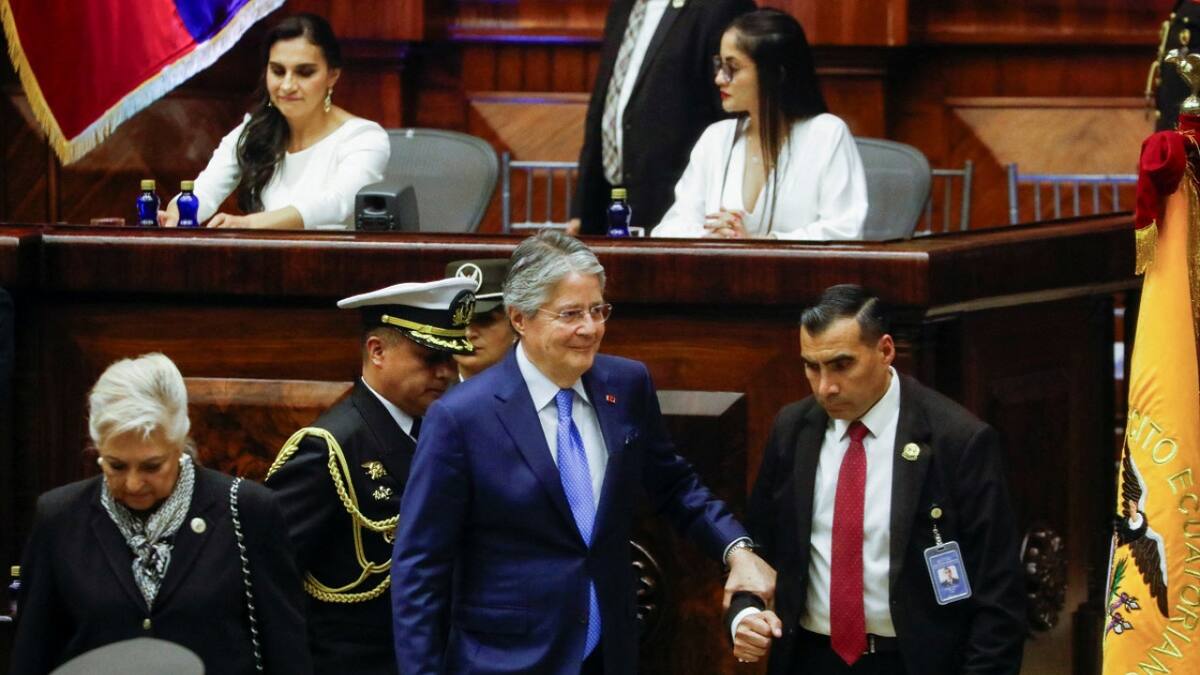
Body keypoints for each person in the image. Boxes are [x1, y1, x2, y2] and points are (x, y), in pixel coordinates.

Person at [392, 230, 776, 674]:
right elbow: (420, 568)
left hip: (607, 655)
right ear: (520, 318)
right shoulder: (461, 418)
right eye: (571, 314)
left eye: (598, 310)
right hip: (505, 661)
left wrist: (737, 549)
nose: (590, 329)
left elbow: (674, 485)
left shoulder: (627, 385)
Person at [727, 285, 1025, 674]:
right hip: (811, 659)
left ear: (885, 351)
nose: (825, 388)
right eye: (811, 367)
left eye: (841, 365)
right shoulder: (793, 429)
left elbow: (999, 598)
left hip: (911, 662)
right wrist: (744, 614)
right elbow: (758, 549)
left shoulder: (958, 440)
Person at [11, 353, 309, 674]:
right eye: (116, 465)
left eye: (152, 466)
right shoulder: (59, 517)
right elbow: (32, 654)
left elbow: (286, 651)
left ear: (180, 442)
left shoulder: (247, 510)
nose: (134, 483)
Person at [264, 277, 476, 673]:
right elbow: (268, 577)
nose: (447, 373)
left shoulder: (444, 431)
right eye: (431, 358)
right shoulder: (328, 448)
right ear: (377, 351)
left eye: (453, 357)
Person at [160, 13, 389, 230]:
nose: (287, 85)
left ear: (332, 76)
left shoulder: (364, 137)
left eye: (304, 72)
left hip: (337, 264)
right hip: (266, 262)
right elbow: (206, 190)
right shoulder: (253, 130)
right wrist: (177, 215)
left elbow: (337, 202)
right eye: (278, 71)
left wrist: (250, 224)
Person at [653, 9, 867, 240]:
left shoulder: (826, 134)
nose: (719, 79)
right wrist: (711, 236)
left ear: (775, 74)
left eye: (732, 68)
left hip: (801, 277)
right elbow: (668, 229)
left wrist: (763, 244)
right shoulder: (716, 138)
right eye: (719, 65)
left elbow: (846, 231)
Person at [570, 0, 755, 235]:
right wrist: (582, 209)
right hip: (611, 203)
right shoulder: (624, 6)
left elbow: (733, 107)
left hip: (680, 205)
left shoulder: (717, 6)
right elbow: (606, 102)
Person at [445, 258, 517, 380]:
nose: (468, 333)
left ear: (517, 323)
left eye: (484, 320)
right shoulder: (429, 396)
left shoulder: (541, 396)